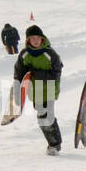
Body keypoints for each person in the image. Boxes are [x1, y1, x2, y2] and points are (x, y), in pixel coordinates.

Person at [13, 24, 65, 155]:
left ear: (42, 38)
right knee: (41, 116)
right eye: (32, 38)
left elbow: (56, 73)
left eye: (38, 38)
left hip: (50, 87)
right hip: (35, 89)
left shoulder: (50, 54)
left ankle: (55, 145)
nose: (35, 40)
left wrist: (36, 73)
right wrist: (17, 87)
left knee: (48, 115)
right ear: (27, 40)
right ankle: (52, 142)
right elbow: (19, 72)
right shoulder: (24, 54)